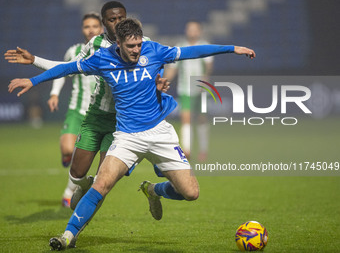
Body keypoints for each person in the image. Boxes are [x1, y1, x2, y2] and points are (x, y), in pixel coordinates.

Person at [8, 18, 255, 250]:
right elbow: (66, 68)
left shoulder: (153, 50)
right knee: (101, 184)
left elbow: (193, 52)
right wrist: (34, 80)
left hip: (160, 133)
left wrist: (232, 48)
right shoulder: (102, 59)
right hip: (127, 137)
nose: (137, 50)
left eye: (138, 44)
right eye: (131, 46)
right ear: (118, 44)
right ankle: (68, 236)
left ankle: (153, 190)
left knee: (191, 193)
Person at [4, 1, 169, 211]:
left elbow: (155, 69)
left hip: (122, 121)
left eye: (121, 18)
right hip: (96, 115)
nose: (117, 23)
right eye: (112, 19)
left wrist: (159, 83)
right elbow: (68, 68)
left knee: (104, 180)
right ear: (104, 23)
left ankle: (72, 232)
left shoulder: (143, 43)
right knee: (77, 173)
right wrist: (35, 60)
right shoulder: (95, 45)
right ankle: (81, 186)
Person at [49, 12, 103, 207]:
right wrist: (54, 93)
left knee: (84, 160)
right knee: (68, 149)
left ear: (101, 28)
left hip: (98, 114)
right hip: (76, 110)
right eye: (87, 26)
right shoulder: (74, 51)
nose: (91, 30)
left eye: (94, 26)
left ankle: (69, 192)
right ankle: (67, 157)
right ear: (82, 30)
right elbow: (62, 72)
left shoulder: (108, 50)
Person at [164, 21, 213, 161]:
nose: (192, 32)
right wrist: (164, 81)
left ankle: (203, 150)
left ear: (199, 31)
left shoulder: (205, 46)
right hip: (185, 89)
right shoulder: (180, 47)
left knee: (202, 119)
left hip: (201, 90)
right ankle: (187, 150)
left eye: (195, 29)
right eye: (189, 29)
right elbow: (173, 68)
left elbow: (208, 66)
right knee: (186, 118)